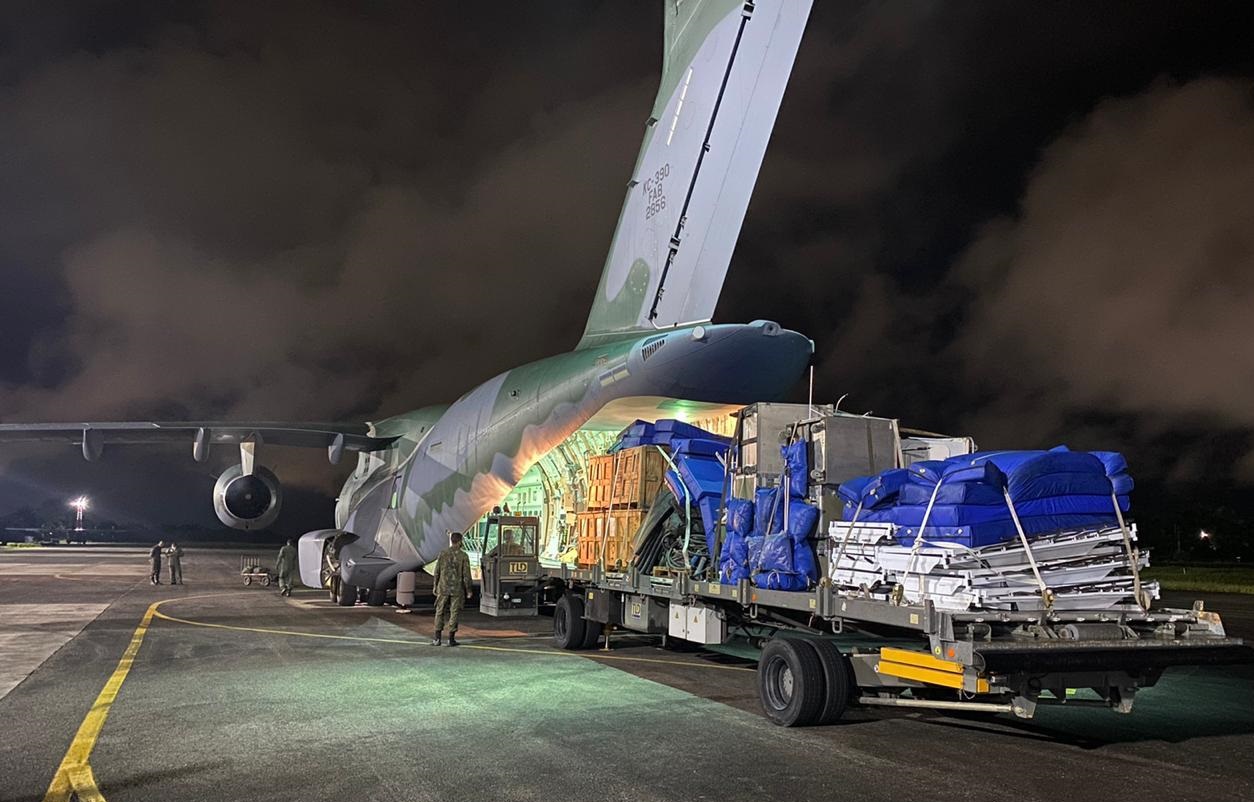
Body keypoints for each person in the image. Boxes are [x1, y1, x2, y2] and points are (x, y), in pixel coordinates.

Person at [431, 531, 473, 646]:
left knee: (439, 611)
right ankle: (451, 639)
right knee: (454, 612)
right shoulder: (463, 556)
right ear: (459, 542)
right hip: (456, 589)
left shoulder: (443, 553)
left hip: (443, 587)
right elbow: (466, 575)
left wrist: (435, 585)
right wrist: (469, 590)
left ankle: (437, 638)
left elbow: (437, 571)